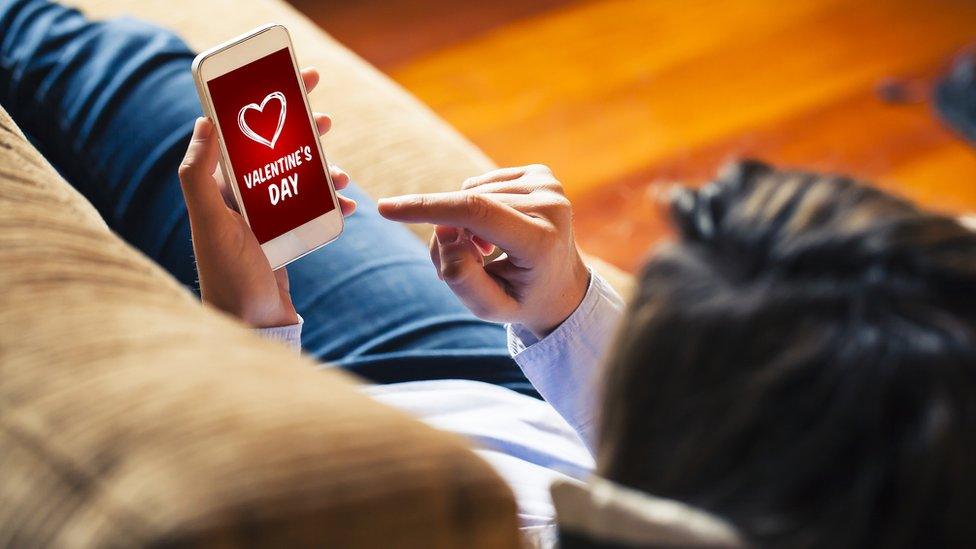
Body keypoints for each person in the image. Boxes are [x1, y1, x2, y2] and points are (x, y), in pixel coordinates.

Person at [3, 1, 974, 546]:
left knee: (67, 67)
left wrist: (252, 327)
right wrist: (563, 310)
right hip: (474, 378)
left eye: (645, 354)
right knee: (103, 67)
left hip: (323, 410)